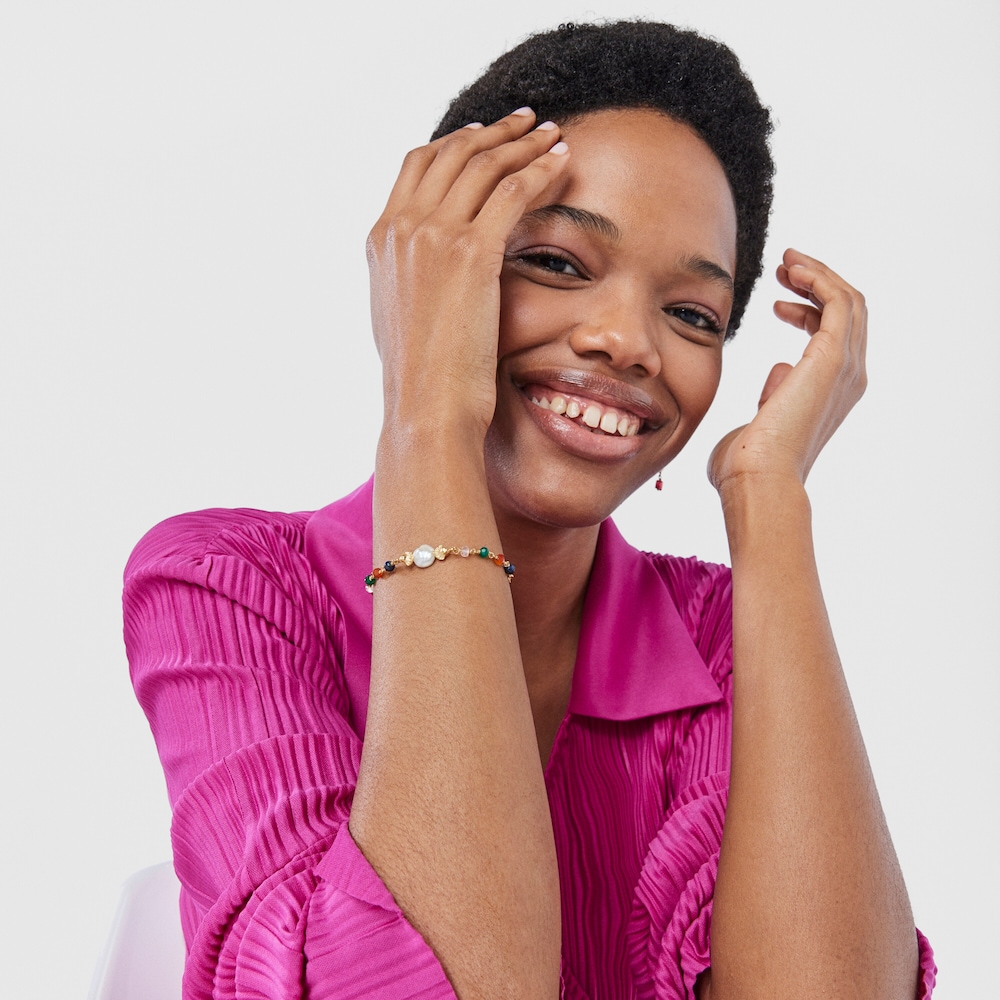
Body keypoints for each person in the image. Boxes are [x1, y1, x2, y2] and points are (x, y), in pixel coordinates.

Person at [124, 20, 936, 1000]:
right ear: (435, 275)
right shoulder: (230, 583)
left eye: (691, 315)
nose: (627, 341)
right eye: (556, 263)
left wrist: (768, 496)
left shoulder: (720, 637)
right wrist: (424, 408)